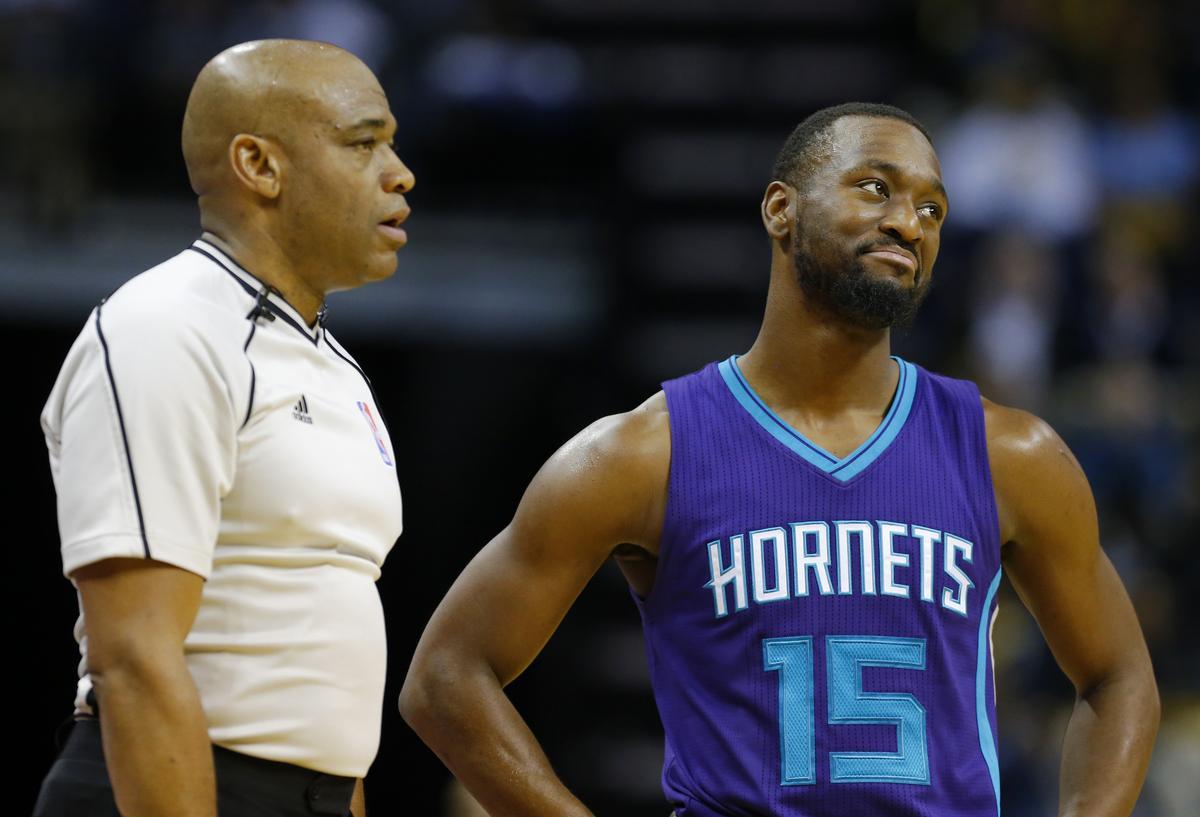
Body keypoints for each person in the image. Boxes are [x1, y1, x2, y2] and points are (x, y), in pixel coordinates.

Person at [399, 102, 1160, 817]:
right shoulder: (643, 454)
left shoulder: (1010, 454)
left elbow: (1119, 676)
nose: (909, 222)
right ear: (780, 209)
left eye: (932, 209)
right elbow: (444, 676)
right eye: (876, 188)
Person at [34, 39, 414, 817]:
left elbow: (327, 672)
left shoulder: (335, 365)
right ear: (259, 165)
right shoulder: (165, 329)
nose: (400, 172)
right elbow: (131, 657)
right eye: (363, 143)